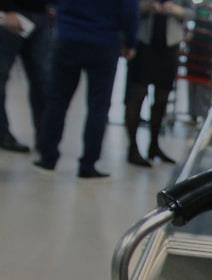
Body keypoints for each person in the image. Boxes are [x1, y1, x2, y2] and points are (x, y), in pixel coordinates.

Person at [34, 0, 139, 179]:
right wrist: (130, 42)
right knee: (98, 106)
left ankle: (47, 157)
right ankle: (88, 164)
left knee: (57, 101)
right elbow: (130, 10)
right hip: (104, 41)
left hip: (68, 36)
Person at [0, 1, 54, 153]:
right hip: (7, 14)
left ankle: (44, 136)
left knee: (43, 80)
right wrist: (6, 9)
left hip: (41, 14)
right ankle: (0, 134)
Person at [124, 0, 189, 167]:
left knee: (162, 98)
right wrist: (147, 7)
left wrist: (175, 10)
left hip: (169, 45)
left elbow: (191, 11)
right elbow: (128, 7)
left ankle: (154, 145)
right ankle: (132, 148)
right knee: (137, 95)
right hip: (143, 43)